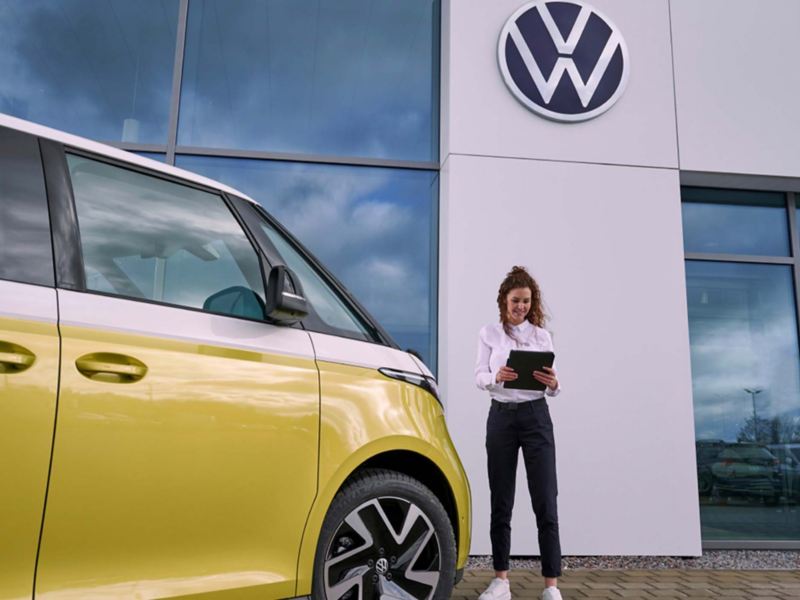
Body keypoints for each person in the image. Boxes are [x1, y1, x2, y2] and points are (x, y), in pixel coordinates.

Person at [475, 266, 563, 600]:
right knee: (501, 500)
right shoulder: (488, 333)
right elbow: (478, 376)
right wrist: (496, 376)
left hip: (536, 417)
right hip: (501, 418)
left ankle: (551, 586)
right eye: (515, 300)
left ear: (532, 302)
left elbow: (554, 385)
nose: (520, 307)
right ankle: (501, 581)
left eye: (526, 301)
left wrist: (554, 384)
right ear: (504, 300)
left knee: (545, 500)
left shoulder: (542, 336)